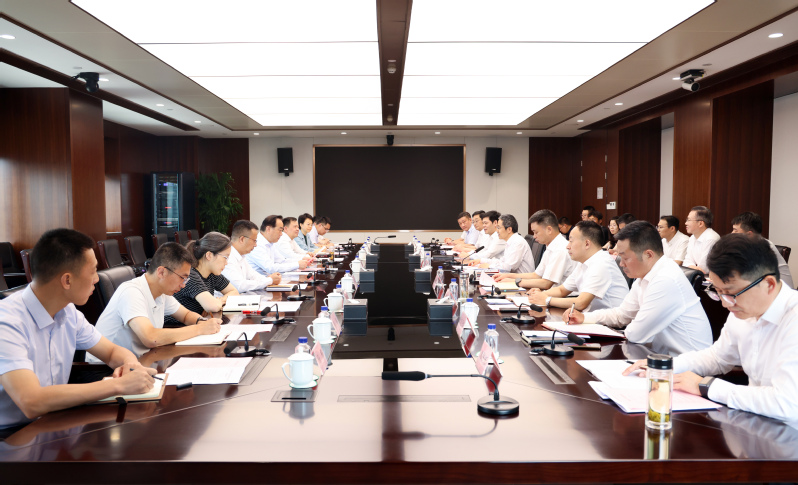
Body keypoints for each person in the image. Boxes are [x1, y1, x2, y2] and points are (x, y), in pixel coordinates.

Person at [624, 235, 798, 423]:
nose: (725, 303)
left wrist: (706, 386)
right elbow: (717, 357)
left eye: (731, 293)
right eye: (718, 292)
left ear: (769, 284)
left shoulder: (793, 318)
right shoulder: (742, 310)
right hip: (756, 421)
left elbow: (787, 403)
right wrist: (668, 366)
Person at [0, 229, 155, 429]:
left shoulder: (68, 312)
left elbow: (111, 352)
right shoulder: (7, 322)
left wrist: (131, 366)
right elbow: (31, 401)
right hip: (12, 435)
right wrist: (118, 385)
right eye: (93, 271)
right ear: (67, 280)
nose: (97, 279)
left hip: (54, 422)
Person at [566, 221, 712, 355]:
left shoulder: (666, 279)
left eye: (625, 258)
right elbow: (622, 315)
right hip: (658, 356)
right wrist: (585, 318)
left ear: (648, 255)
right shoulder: (645, 275)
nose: (621, 264)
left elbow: (635, 334)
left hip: (686, 365)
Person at [93, 242, 223, 358]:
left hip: (141, 359)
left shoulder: (162, 293)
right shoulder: (131, 292)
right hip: (107, 368)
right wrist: (199, 329)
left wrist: (202, 322)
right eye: (182, 278)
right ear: (161, 272)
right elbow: (151, 337)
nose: (183, 285)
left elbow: (186, 315)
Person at [527, 221, 629, 312]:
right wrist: (540, 294)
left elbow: (581, 303)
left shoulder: (601, 263)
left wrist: (546, 299)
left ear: (587, 244)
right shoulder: (584, 262)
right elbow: (562, 290)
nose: (568, 246)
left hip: (609, 324)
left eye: (571, 241)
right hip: (592, 318)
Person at [164, 232, 240, 326]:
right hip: (174, 327)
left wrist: (219, 301)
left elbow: (234, 292)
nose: (227, 263)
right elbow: (213, 306)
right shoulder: (191, 275)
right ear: (209, 255)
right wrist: (214, 303)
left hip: (194, 324)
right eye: (225, 257)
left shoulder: (212, 274)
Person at [494, 209, 577, 290]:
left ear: (549, 230)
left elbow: (546, 283)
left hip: (563, 296)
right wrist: (508, 276)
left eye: (536, 232)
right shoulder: (550, 246)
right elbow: (536, 275)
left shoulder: (559, 249)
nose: (534, 236)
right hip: (550, 293)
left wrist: (514, 281)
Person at [730, 211, 793, 288]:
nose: (732, 233)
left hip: (781, 292)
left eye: (735, 230)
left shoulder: (763, 246)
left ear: (749, 234)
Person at [222, 220, 281, 292]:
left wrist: (269, 279)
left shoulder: (242, 256)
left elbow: (253, 275)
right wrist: (269, 280)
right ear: (242, 239)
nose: (255, 245)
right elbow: (240, 286)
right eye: (254, 240)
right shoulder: (227, 257)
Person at [683, 205, 721, 273]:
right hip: (695, 274)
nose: (686, 223)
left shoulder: (711, 238)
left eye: (689, 220)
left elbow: (704, 268)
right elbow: (687, 261)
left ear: (700, 223)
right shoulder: (692, 237)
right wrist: (692, 267)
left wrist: (691, 267)